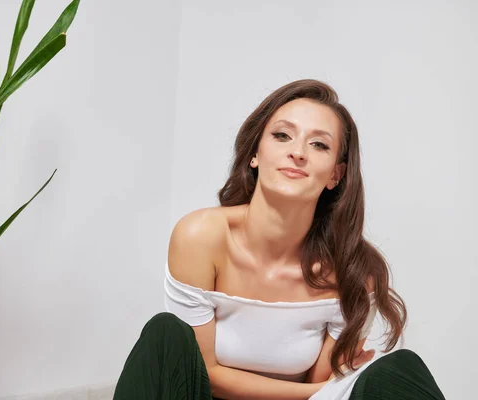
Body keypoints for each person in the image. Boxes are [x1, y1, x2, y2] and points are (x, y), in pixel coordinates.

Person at [113, 79, 445, 400]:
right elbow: (203, 372)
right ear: (255, 153)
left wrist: (342, 383)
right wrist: (322, 389)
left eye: (319, 144)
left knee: (400, 369)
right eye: (282, 135)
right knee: (164, 334)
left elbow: (323, 387)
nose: (298, 152)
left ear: (335, 174)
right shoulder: (201, 238)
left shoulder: (353, 270)